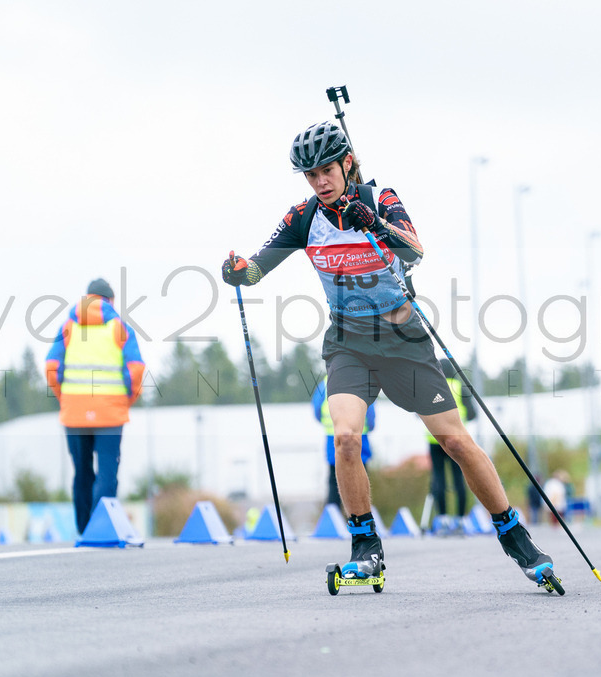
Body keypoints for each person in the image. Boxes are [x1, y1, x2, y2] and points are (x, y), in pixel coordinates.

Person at [221, 121, 555, 587]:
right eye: (310, 175)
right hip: (348, 343)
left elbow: (415, 252)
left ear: (347, 163)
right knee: (345, 438)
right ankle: (365, 546)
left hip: (403, 341)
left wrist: (374, 224)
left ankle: (514, 535)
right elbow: (259, 267)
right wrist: (240, 271)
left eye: (326, 170)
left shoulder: (381, 199)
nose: (319, 181)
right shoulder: (303, 217)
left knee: (455, 443)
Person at [45, 278, 145, 534]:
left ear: (88, 297)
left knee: (82, 472)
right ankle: (101, 529)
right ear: (110, 300)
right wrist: (126, 400)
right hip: (110, 412)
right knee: (107, 472)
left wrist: (65, 399)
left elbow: (51, 367)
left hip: (74, 413)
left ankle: (84, 530)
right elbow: (135, 369)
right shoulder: (119, 327)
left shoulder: (68, 326)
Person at [427, 358, 475, 535]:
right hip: (456, 438)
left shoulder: (429, 386)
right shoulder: (460, 387)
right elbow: (472, 414)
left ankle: (443, 520)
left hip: (434, 439)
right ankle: (461, 520)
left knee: (439, 478)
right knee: (458, 479)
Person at [312, 375, 375, 508]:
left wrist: (330, 424)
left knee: (334, 481)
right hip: (359, 437)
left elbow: (317, 410)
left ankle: (333, 514)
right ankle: (359, 515)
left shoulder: (325, 383)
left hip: (334, 438)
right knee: (360, 480)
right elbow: (370, 413)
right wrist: (368, 426)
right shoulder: (363, 380)